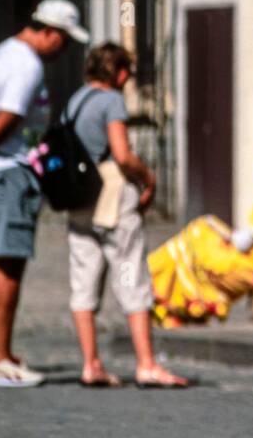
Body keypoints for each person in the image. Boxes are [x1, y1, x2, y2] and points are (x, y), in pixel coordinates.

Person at [64, 42, 188, 388]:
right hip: (112, 195)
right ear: (118, 72)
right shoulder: (111, 101)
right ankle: (146, 363)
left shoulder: (76, 100)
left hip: (79, 197)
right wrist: (148, 177)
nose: (129, 79)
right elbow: (122, 154)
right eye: (128, 73)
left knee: (83, 277)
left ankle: (91, 363)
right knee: (131, 272)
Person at [0, 0, 88, 387]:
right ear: (49, 32)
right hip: (11, 171)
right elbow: (7, 116)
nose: (63, 50)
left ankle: (1, 351)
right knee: (8, 263)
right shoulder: (27, 64)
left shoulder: (6, 51)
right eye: (63, 41)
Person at [148, 147, 253, 327]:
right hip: (251, 265)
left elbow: (242, 243)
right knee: (199, 233)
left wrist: (222, 235)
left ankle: (157, 283)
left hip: (243, 265)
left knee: (197, 234)